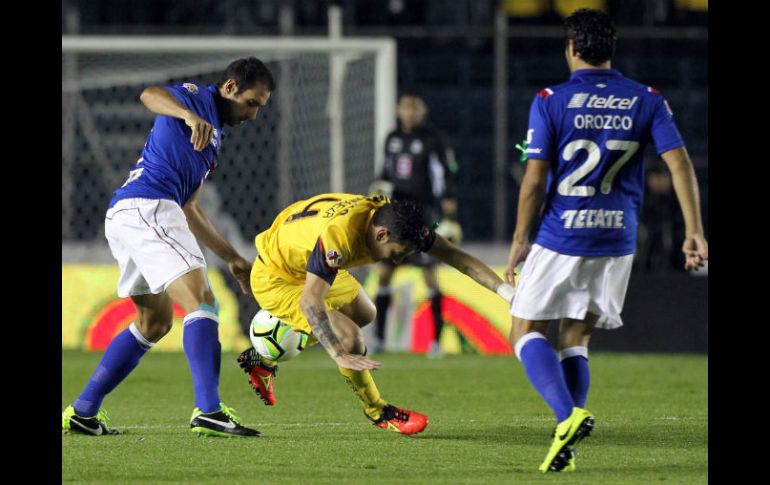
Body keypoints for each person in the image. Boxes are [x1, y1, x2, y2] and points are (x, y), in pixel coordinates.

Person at [504, 9, 708, 472]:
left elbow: (533, 181)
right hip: (617, 237)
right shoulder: (647, 98)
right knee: (575, 337)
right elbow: (679, 163)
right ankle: (568, 441)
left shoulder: (550, 99)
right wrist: (694, 230)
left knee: (524, 330)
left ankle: (567, 415)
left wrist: (519, 238)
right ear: (611, 50)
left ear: (571, 48)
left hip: (562, 235)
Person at [62, 57, 276, 437]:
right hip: (149, 206)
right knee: (202, 301)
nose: (254, 115)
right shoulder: (197, 100)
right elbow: (149, 95)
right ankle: (209, 410)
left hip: (131, 214)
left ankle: (83, 411)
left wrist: (231, 257)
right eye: (251, 103)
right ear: (230, 88)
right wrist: (188, 116)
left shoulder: (213, 140)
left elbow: (189, 207)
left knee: (155, 322)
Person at [237, 193, 515, 434]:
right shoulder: (341, 237)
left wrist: (508, 293)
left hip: (303, 262)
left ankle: (262, 358)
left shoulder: (396, 220)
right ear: (382, 235)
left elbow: (457, 258)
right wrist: (338, 353)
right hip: (276, 277)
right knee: (350, 338)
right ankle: (378, 411)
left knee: (365, 313)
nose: (401, 259)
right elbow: (311, 300)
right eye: (400, 252)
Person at [370, 92, 462, 356]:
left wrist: (448, 212)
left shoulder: (433, 139)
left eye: (415, 108)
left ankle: (436, 342)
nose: (410, 113)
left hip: (424, 214)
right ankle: (378, 339)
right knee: (384, 273)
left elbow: (445, 174)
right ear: (398, 110)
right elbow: (385, 173)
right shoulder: (392, 138)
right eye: (406, 107)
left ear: (423, 111)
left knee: (430, 275)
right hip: (396, 214)